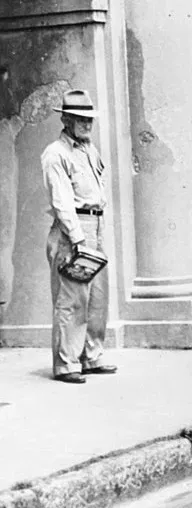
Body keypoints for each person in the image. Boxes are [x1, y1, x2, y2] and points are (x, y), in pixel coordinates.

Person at [41, 89, 116, 383]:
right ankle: (66, 363)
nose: (87, 124)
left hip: (95, 225)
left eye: (89, 119)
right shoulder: (55, 154)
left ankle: (92, 355)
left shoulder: (88, 149)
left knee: (98, 296)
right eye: (80, 119)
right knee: (71, 297)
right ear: (66, 120)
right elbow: (61, 201)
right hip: (74, 229)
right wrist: (77, 238)